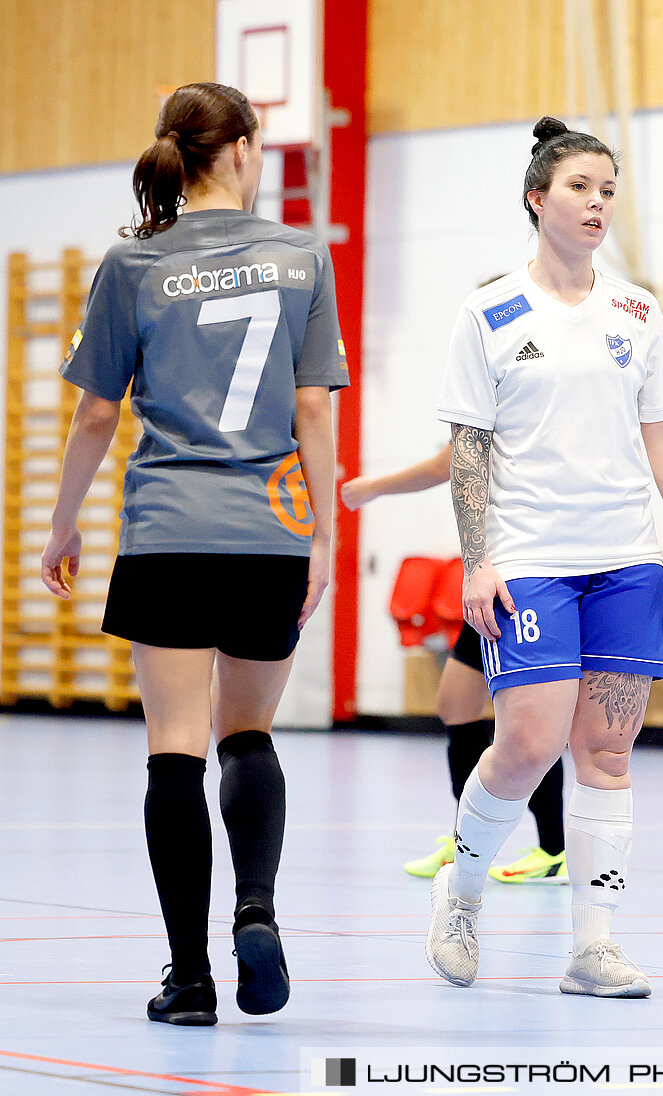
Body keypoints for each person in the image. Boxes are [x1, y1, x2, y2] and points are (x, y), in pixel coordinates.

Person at [42, 82, 347, 1026]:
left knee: (173, 750)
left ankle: (189, 979)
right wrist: (327, 539)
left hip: (169, 530)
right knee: (246, 734)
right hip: (268, 531)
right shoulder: (302, 255)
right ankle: (256, 908)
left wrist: (62, 522)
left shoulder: (135, 261)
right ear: (247, 150)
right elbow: (313, 408)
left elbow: (98, 412)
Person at [427, 116, 663, 998]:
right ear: (537, 198)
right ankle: (461, 893)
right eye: (581, 188)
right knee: (529, 742)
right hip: (532, 557)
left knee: (609, 753)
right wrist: (478, 560)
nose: (596, 205)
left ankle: (594, 945)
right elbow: (468, 447)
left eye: (608, 191)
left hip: (624, 559)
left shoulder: (637, 311)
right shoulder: (491, 312)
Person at [344, 445, 570, 884]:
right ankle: (468, 839)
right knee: (455, 703)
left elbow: (445, 462)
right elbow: (452, 459)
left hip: (525, 578)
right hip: (497, 575)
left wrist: (373, 486)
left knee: (530, 722)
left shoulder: (510, 398)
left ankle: (554, 849)